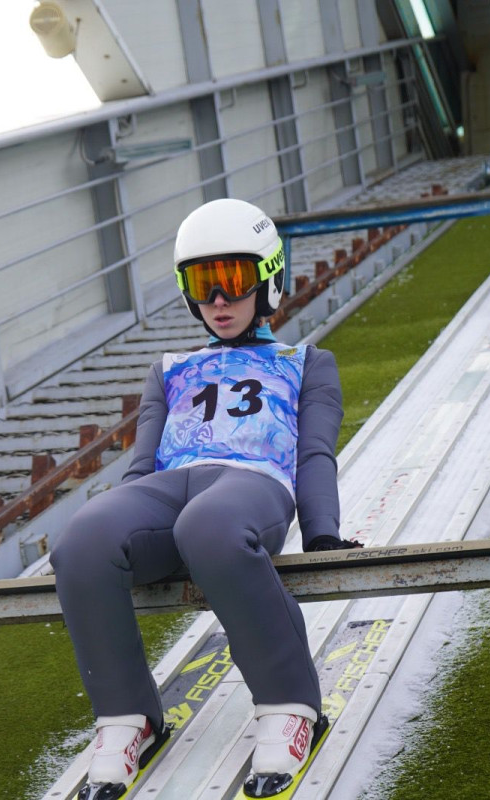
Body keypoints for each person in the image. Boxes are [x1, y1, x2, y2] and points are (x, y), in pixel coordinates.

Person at [51, 198, 361, 799]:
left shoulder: (306, 363)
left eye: (234, 281)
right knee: (83, 541)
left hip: (253, 483)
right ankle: (128, 717)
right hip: (169, 487)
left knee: (209, 526)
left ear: (269, 280)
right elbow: (144, 466)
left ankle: (289, 703)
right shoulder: (170, 368)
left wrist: (323, 531)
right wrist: (121, 531)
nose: (218, 300)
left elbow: (314, 453)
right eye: (202, 283)